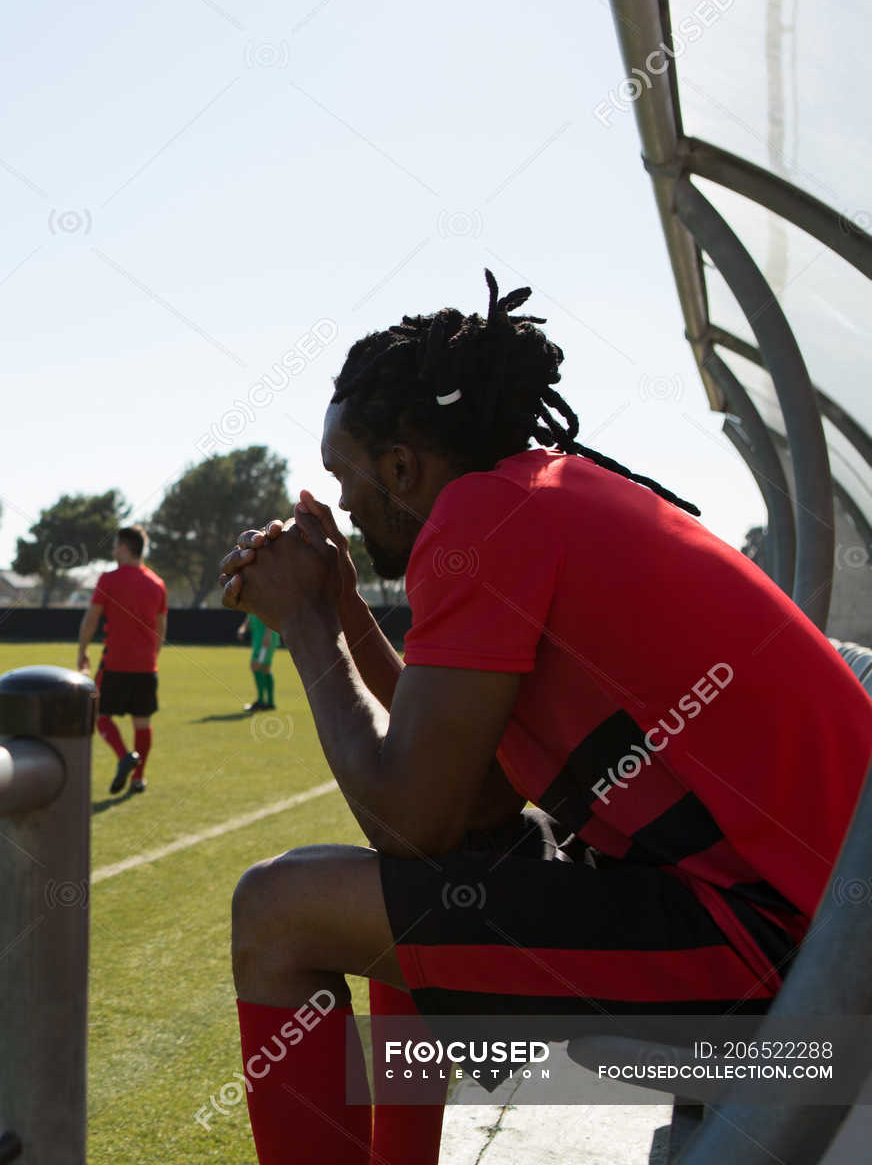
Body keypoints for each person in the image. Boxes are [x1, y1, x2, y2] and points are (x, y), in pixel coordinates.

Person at [217, 272, 872, 1165]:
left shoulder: (484, 519)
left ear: (403, 468)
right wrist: (340, 606)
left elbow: (410, 819)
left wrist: (302, 623)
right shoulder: (540, 496)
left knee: (278, 910)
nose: (339, 506)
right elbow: (464, 806)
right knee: (411, 900)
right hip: (813, 929)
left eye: (346, 477)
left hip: (800, 960)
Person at [77, 525, 167, 796]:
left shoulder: (109, 579)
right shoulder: (157, 583)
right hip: (146, 666)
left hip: (115, 662)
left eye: (115, 546)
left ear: (125, 549)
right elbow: (161, 627)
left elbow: (91, 619)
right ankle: (138, 778)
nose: (113, 551)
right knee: (142, 722)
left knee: (98, 714)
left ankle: (124, 756)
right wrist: (153, 654)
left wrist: (82, 651)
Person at [236, 612, 278, 711]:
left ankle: (261, 701)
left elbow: (273, 616)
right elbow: (249, 616)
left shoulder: (265, 599)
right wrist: (243, 628)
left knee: (255, 665)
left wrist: (268, 634)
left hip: (265, 640)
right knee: (265, 669)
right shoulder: (251, 602)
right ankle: (270, 703)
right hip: (259, 639)